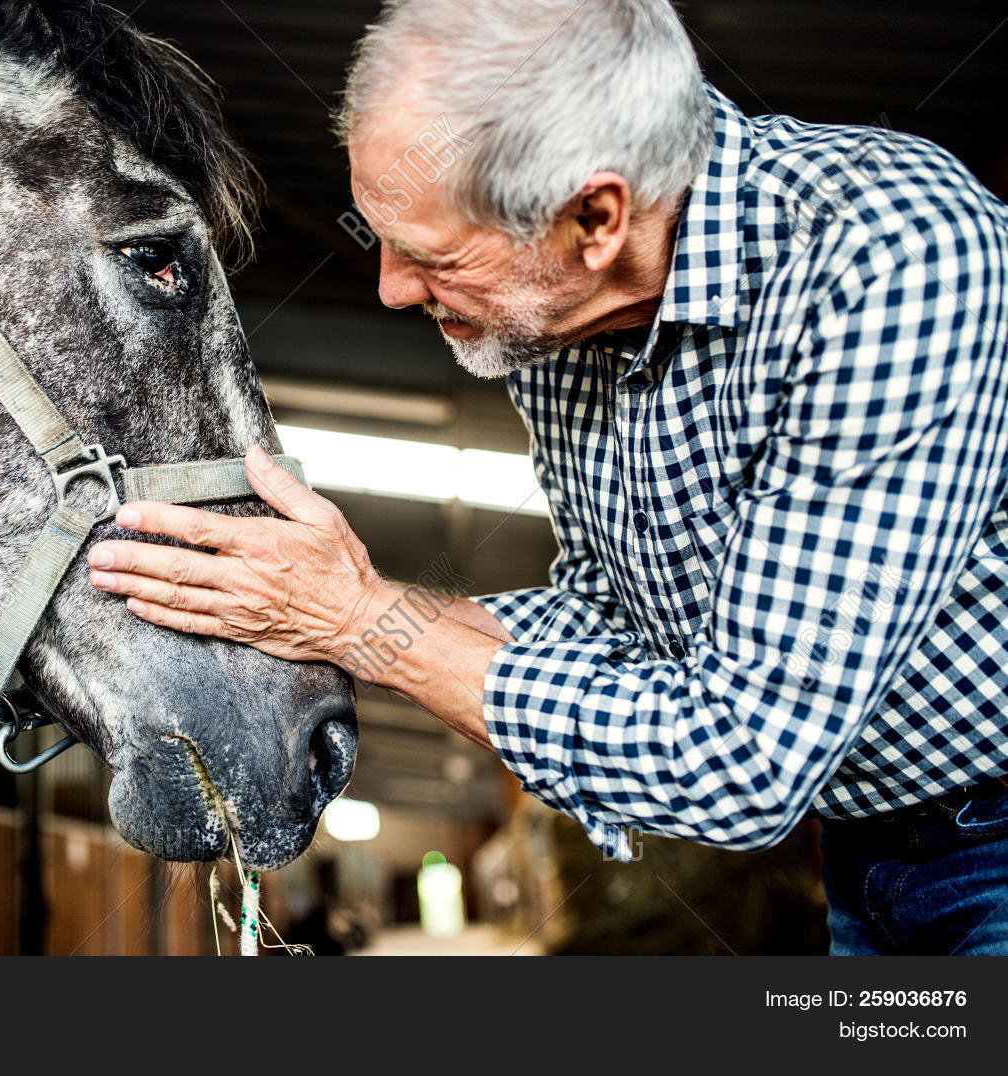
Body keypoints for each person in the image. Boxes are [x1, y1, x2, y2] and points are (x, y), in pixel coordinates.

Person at [83, 0, 1008, 955]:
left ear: (596, 216)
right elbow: (615, 615)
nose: (392, 287)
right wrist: (317, 619)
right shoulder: (560, 319)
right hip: (867, 850)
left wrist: (357, 621)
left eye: (431, 255)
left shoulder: (886, 263)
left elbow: (744, 758)